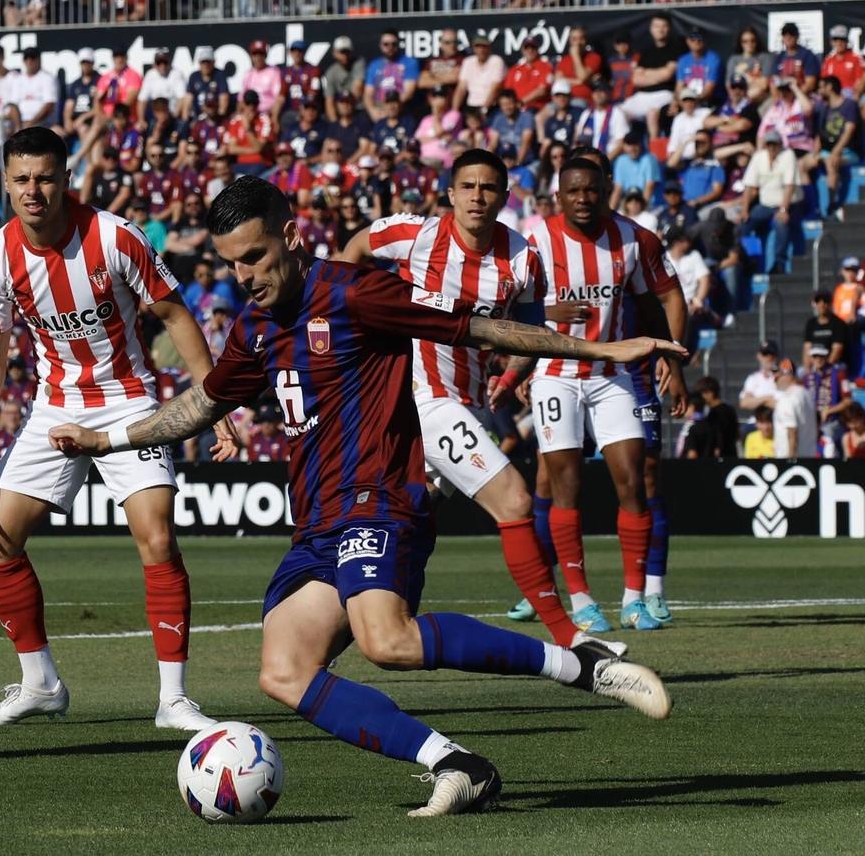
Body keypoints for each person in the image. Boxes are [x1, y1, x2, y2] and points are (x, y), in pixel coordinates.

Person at [49, 176, 675, 817]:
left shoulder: (357, 293)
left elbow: (475, 330)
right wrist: (106, 441)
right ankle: (457, 766)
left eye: (256, 256)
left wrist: (597, 347)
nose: (245, 274)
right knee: (282, 671)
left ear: (290, 237)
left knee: (388, 642)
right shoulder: (255, 326)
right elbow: (203, 403)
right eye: (233, 262)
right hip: (317, 525)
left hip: (379, 499)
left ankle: (583, 666)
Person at [0, 126, 235, 731]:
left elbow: (175, 313)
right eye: (21, 180)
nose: (33, 191)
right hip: (54, 408)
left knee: (157, 536)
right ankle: (39, 683)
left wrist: (215, 404)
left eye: (44, 178)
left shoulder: (116, 238)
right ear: (6, 184)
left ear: (66, 178)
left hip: (128, 402)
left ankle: (173, 699)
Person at [337, 149, 582, 650]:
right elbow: (356, 249)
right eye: (467, 186)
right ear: (450, 194)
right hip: (420, 396)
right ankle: (571, 638)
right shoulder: (415, 235)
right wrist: (345, 314)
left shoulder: (521, 258)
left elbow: (531, 330)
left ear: (504, 196)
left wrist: (513, 375)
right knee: (514, 499)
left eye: (488, 187)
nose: (477, 196)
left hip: (468, 402)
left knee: (408, 518)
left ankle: (345, 629)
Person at [517, 156, 688, 633]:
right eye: (573, 191)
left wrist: (673, 359)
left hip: (613, 374)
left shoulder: (634, 239)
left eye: (591, 190)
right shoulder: (535, 240)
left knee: (633, 481)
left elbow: (664, 298)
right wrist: (548, 309)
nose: (583, 199)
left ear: (606, 190)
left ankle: (636, 598)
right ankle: (582, 601)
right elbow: (506, 304)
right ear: (559, 195)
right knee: (564, 485)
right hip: (555, 374)